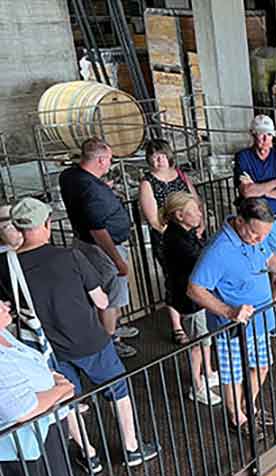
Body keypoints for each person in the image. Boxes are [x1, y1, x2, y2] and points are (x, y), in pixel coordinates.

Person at [9, 197, 159, 470]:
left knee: (66, 398)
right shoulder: (69, 257)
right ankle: (131, 447)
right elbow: (101, 301)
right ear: (47, 224)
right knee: (117, 388)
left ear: (18, 228)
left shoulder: (7, 268)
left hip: (49, 349)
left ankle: (89, 455)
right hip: (90, 339)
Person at [188, 198, 276, 434]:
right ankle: (237, 418)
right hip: (233, 327)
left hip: (260, 320)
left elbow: (270, 258)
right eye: (255, 234)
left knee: (262, 366)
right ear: (239, 221)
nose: (259, 239)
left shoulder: (256, 237)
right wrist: (229, 312)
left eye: (264, 235)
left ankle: (248, 406)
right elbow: (195, 289)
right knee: (233, 374)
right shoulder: (219, 250)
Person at [0, 301, 87, 476]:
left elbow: (36, 364)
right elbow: (22, 409)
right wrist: (61, 391)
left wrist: (55, 384)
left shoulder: (4, 335)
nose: (5, 304)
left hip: (42, 428)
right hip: (19, 442)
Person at [58, 138, 139, 358]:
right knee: (111, 295)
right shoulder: (92, 190)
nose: (110, 163)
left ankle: (113, 329)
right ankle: (110, 342)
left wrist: (103, 188)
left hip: (83, 242)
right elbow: (98, 230)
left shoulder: (69, 176)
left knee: (101, 290)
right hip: (102, 248)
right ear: (101, 160)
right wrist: (118, 260)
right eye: (109, 159)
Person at [160, 192, 220, 406]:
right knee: (198, 342)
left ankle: (208, 371)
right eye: (193, 211)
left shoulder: (184, 233)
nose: (199, 214)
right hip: (189, 299)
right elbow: (199, 261)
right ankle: (197, 386)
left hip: (192, 295)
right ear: (179, 215)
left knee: (205, 338)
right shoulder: (176, 240)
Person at [138, 139, 199, 344]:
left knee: (194, 273)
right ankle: (177, 326)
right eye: (154, 157)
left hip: (191, 233)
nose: (159, 160)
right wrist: (175, 234)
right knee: (173, 279)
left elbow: (195, 200)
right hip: (168, 239)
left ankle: (196, 311)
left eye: (162, 155)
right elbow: (154, 219)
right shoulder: (148, 183)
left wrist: (198, 226)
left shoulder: (180, 175)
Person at [234, 114, 276, 302]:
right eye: (261, 134)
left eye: (268, 135)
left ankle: (271, 310)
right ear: (253, 135)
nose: (265, 139)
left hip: (274, 221)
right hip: (251, 224)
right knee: (254, 272)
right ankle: (257, 309)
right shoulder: (244, 157)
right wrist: (275, 182)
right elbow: (247, 191)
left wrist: (261, 190)